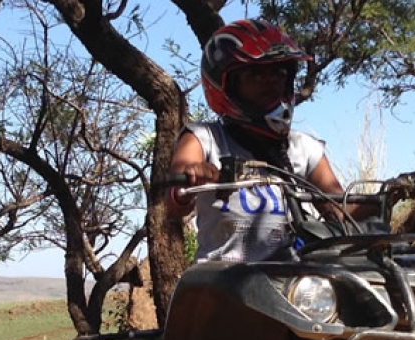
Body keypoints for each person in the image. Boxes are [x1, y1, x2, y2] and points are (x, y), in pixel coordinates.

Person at [166, 19, 396, 263]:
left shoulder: (304, 148)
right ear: (226, 85)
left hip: (294, 286)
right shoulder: (205, 137)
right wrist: (191, 177)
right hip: (223, 285)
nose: (270, 80)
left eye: (279, 72)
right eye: (254, 73)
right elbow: (175, 200)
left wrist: (392, 192)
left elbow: (339, 212)